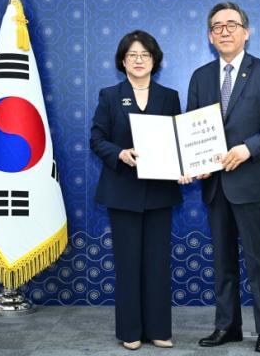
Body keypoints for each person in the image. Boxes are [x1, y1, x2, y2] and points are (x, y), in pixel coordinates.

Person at [184, 2, 260, 353]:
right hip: (215, 185)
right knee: (223, 261)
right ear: (209, 37)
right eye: (217, 26)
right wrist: (195, 162)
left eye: (232, 24)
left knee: (259, 262)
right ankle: (227, 326)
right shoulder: (200, 76)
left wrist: (248, 148)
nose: (225, 31)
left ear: (246, 32)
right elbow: (192, 127)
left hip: (253, 182)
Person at [90, 30, 182, 351]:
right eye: (132, 55)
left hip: (159, 191)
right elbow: (97, 139)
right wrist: (119, 153)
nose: (139, 60)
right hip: (122, 191)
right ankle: (130, 331)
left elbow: (178, 141)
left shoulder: (169, 97)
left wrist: (184, 166)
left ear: (154, 60)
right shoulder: (109, 96)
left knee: (157, 264)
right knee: (128, 264)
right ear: (122, 61)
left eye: (145, 54)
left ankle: (159, 330)